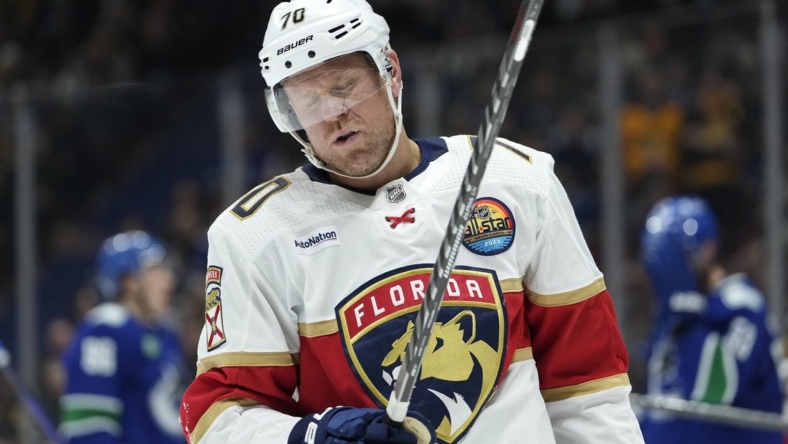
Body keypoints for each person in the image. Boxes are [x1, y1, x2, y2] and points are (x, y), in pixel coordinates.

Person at [179, 0, 644, 443]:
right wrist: (317, 435)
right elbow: (218, 417)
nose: (334, 115)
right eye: (308, 102)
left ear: (391, 71)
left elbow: (589, 385)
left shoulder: (514, 178)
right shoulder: (255, 236)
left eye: (344, 87)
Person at [638, 196, 784, 443]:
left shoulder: (742, 309)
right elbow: (657, 402)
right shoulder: (673, 318)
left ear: (707, 251)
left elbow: (711, 395)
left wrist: (700, 317)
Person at [60, 230, 187, 444]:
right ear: (128, 281)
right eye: (155, 269)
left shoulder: (164, 332)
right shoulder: (105, 329)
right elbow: (91, 425)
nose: (169, 279)